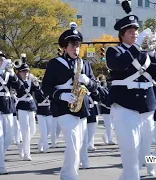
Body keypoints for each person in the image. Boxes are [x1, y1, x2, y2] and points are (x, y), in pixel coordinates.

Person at [105, 1, 156, 179]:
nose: (135, 34)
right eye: (131, 32)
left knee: (144, 151)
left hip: (147, 106)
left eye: (136, 31)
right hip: (124, 105)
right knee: (130, 149)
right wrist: (137, 47)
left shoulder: (145, 52)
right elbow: (117, 65)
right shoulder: (113, 51)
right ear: (122, 35)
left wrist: (154, 53)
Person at [42, 22, 98, 180]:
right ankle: (71, 177)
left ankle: (66, 174)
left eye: (78, 45)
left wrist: (87, 81)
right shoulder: (54, 64)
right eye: (72, 45)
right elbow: (45, 87)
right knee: (73, 142)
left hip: (81, 107)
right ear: (65, 47)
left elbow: (94, 87)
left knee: (78, 145)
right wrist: (60, 95)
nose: (76, 48)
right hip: (63, 107)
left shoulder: (85, 64)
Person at [16, 58, 39, 161]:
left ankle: (22, 145)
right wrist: (27, 82)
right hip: (22, 106)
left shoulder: (30, 80)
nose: (26, 73)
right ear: (19, 72)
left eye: (27, 71)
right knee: (25, 130)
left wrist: (36, 83)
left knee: (33, 130)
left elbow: (37, 91)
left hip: (30, 106)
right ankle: (27, 154)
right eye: (24, 71)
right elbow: (20, 90)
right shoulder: (17, 81)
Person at [97, 75, 115, 145]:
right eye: (103, 80)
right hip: (105, 109)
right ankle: (110, 139)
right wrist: (98, 84)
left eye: (105, 79)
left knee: (112, 125)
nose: (104, 81)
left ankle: (105, 136)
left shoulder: (107, 88)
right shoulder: (100, 88)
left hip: (110, 108)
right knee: (109, 125)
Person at [35, 85, 52, 153]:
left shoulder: (50, 91)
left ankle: (40, 144)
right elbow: (39, 99)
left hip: (49, 111)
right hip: (41, 112)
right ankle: (46, 147)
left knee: (48, 130)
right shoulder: (38, 92)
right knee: (43, 131)